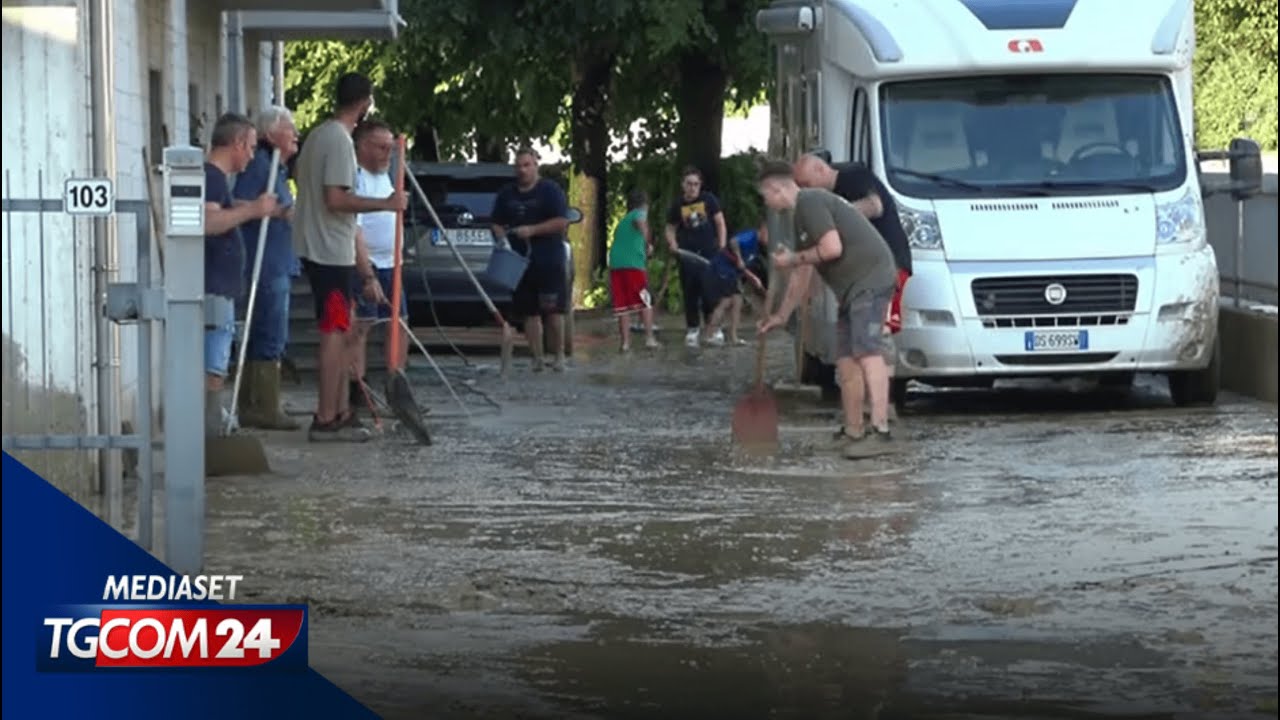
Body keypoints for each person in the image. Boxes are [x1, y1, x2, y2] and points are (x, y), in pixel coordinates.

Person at [755, 159, 899, 459]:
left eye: (764, 195)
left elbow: (832, 249)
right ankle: (853, 431)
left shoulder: (810, 201)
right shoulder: (801, 215)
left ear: (776, 188)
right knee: (845, 363)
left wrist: (793, 259)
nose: (765, 202)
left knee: (867, 351)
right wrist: (781, 315)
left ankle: (881, 431)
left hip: (871, 279)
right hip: (852, 289)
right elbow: (803, 271)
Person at [293, 72, 403, 442]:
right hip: (330, 254)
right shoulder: (339, 141)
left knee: (342, 327)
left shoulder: (318, 136)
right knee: (334, 331)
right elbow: (336, 199)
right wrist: (386, 203)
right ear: (365, 103)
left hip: (321, 249)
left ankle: (339, 410)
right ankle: (326, 418)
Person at [794, 154, 913, 415]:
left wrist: (837, 216)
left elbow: (875, 205)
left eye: (806, 183)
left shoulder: (853, 177)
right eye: (800, 186)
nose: (805, 190)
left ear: (820, 169)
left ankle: (886, 405)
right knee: (859, 337)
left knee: (879, 333)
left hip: (890, 264)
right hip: (863, 274)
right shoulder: (828, 194)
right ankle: (866, 406)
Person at [201, 113, 278, 436]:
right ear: (235, 144)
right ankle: (208, 439)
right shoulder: (211, 178)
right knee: (212, 367)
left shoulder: (219, 181)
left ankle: (210, 432)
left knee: (216, 363)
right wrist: (253, 211)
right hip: (213, 290)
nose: (250, 154)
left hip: (222, 288)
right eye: (248, 147)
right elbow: (208, 223)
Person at [232, 105, 301, 431]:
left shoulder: (278, 169)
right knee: (268, 332)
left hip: (277, 258)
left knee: (273, 332)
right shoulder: (260, 166)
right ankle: (261, 406)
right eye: (290, 128)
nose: (296, 134)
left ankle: (260, 401)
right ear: (272, 134)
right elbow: (237, 202)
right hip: (266, 263)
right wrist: (271, 211)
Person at [489, 148, 571, 372]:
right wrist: (501, 239)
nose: (522, 170)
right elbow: (496, 222)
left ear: (536, 166)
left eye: (527, 165)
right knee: (529, 312)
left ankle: (559, 355)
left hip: (549, 259)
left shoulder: (550, 191)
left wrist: (533, 230)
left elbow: (562, 221)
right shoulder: (507, 194)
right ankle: (537, 357)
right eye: (519, 166)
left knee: (553, 310)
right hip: (519, 261)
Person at [348, 119, 409, 406]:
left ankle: (397, 388)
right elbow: (354, 230)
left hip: (392, 263)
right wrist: (366, 274)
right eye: (381, 147)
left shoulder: (386, 175)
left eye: (390, 147)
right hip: (367, 263)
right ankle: (358, 393)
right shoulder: (356, 177)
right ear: (363, 146)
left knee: (400, 324)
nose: (388, 153)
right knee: (362, 326)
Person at [663, 166, 728, 348]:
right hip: (687, 256)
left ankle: (714, 329)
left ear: (700, 185)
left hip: (709, 254)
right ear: (683, 185)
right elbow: (670, 228)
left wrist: (722, 246)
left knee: (711, 293)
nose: (692, 188)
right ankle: (693, 329)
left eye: (696, 184)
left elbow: (720, 222)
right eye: (689, 184)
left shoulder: (708, 199)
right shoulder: (677, 205)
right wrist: (673, 243)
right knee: (690, 292)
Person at [608, 190, 661, 352]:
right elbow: (641, 222)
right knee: (645, 300)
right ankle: (650, 339)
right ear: (645, 205)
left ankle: (625, 344)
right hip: (633, 265)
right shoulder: (639, 214)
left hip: (616, 265)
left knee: (622, 305)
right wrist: (648, 244)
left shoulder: (622, 221)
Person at [703, 224, 767, 346]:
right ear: (763, 229)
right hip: (722, 268)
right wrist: (739, 258)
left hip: (732, 271)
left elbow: (742, 266)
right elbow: (733, 241)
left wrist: (753, 277)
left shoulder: (757, 247)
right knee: (726, 301)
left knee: (738, 301)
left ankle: (733, 336)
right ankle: (709, 334)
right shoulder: (751, 236)